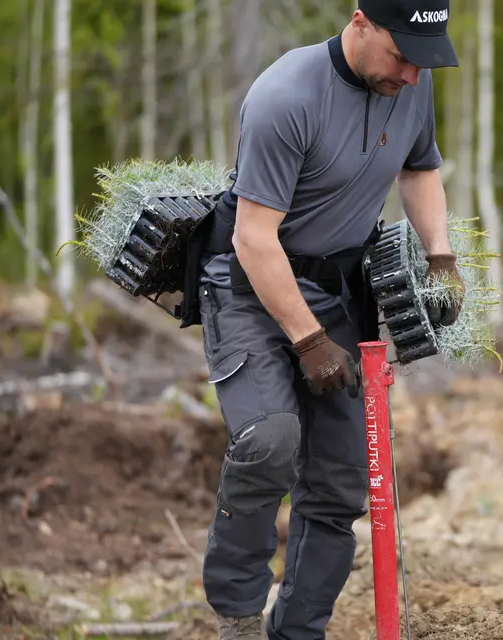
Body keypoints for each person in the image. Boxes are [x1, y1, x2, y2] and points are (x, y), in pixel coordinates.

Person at [196, 0, 465, 637]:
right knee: (269, 440)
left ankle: (298, 631)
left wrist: (441, 256)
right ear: (360, 20)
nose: (412, 75)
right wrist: (308, 340)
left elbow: (420, 170)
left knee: (342, 484)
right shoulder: (285, 96)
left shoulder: (411, 85)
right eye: (402, 54)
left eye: (424, 61)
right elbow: (254, 240)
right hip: (250, 290)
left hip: (340, 292)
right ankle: (236, 611)